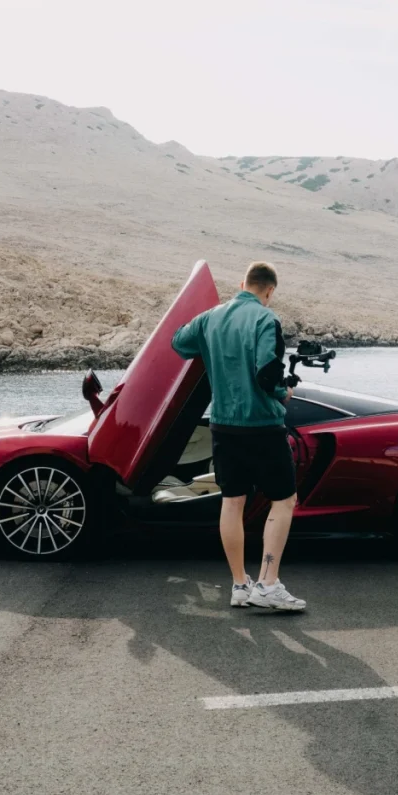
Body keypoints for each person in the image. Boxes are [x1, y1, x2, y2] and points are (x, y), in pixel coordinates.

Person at [171, 261, 306, 611]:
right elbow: (267, 374)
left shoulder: (210, 318)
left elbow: (179, 343)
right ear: (269, 291)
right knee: (284, 500)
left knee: (232, 502)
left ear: (242, 284)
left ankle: (240, 585)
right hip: (262, 426)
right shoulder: (265, 319)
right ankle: (268, 583)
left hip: (223, 426)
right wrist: (284, 392)